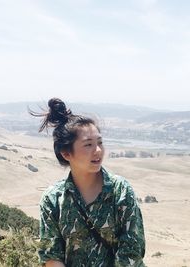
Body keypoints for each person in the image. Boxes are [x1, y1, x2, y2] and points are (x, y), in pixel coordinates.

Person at [31, 98, 145, 267]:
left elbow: (131, 252)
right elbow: (51, 255)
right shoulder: (53, 199)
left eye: (100, 142)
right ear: (66, 154)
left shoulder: (120, 190)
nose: (98, 150)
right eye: (88, 145)